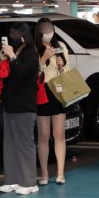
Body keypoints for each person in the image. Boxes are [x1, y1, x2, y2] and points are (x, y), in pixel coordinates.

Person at [0, 22, 40, 194]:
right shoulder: (14, 53)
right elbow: (7, 75)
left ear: (23, 37)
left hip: (24, 106)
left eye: (14, 35)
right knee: (10, 144)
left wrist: (12, 56)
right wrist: (3, 59)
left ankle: (29, 182)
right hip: (10, 104)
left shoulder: (31, 54)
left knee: (24, 144)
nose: (11, 39)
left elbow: (22, 74)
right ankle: (12, 180)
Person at [34, 18, 69, 185]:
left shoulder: (60, 46)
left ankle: (60, 173)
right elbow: (33, 73)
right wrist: (43, 58)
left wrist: (62, 66)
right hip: (41, 91)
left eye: (50, 29)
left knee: (59, 135)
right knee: (43, 135)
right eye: (45, 29)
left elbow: (67, 72)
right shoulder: (34, 48)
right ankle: (44, 173)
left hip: (58, 90)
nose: (48, 32)